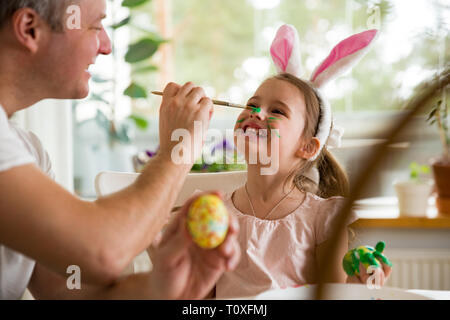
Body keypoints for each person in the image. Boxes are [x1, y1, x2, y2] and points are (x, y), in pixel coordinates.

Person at [0, 0, 240, 300]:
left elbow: (63, 289)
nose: (106, 46)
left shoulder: (27, 150)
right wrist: (177, 151)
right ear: (29, 29)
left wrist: (161, 286)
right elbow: (102, 251)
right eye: (96, 26)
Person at [212, 25, 392, 298]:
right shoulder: (215, 213)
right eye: (252, 105)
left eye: (277, 110)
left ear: (307, 147)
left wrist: (361, 287)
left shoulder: (322, 218)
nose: (256, 113)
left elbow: (333, 297)